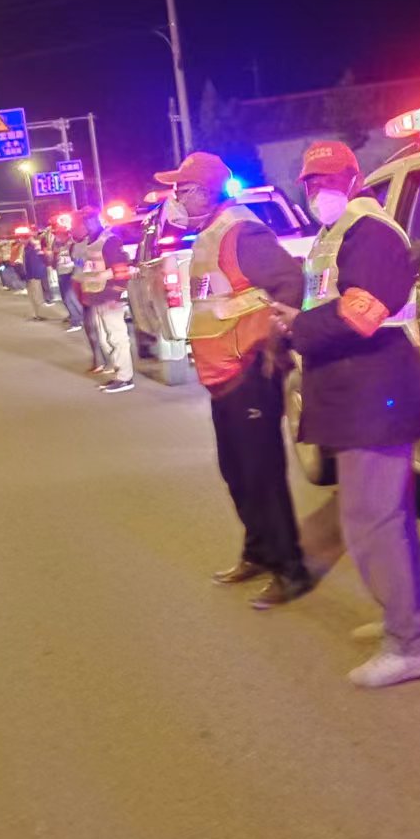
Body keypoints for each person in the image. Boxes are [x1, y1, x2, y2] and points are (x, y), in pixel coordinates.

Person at [274, 140, 420, 688]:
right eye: (310, 181)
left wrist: (296, 326)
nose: (317, 189)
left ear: (355, 177)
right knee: (382, 521)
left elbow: (360, 313)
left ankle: (409, 644)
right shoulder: (337, 234)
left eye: (328, 179)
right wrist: (297, 317)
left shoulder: (371, 233)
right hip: (357, 397)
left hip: (375, 396)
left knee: (373, 522)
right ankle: (404, 620)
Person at [155, 151, 311, 609]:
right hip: (222, 375)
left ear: (206, 192)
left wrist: (273, 342)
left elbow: (289, 282)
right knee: (236, 470)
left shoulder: (242, 232)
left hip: (250, 371)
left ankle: (291, 570)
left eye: (182, 190)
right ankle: (258, 551)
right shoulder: (209, 234)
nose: (176, 198)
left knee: (262, 474)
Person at [72, 207, 136, 394]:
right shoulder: (90, 243)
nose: (82, 225)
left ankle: (125, 378)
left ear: (93, 220)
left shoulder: (109, 241)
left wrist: (117, 294)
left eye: (85, 221)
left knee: (117, 337)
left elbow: (121, 270)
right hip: (97, 297)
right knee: (105, 339)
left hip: (110, 297)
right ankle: (119, 373)